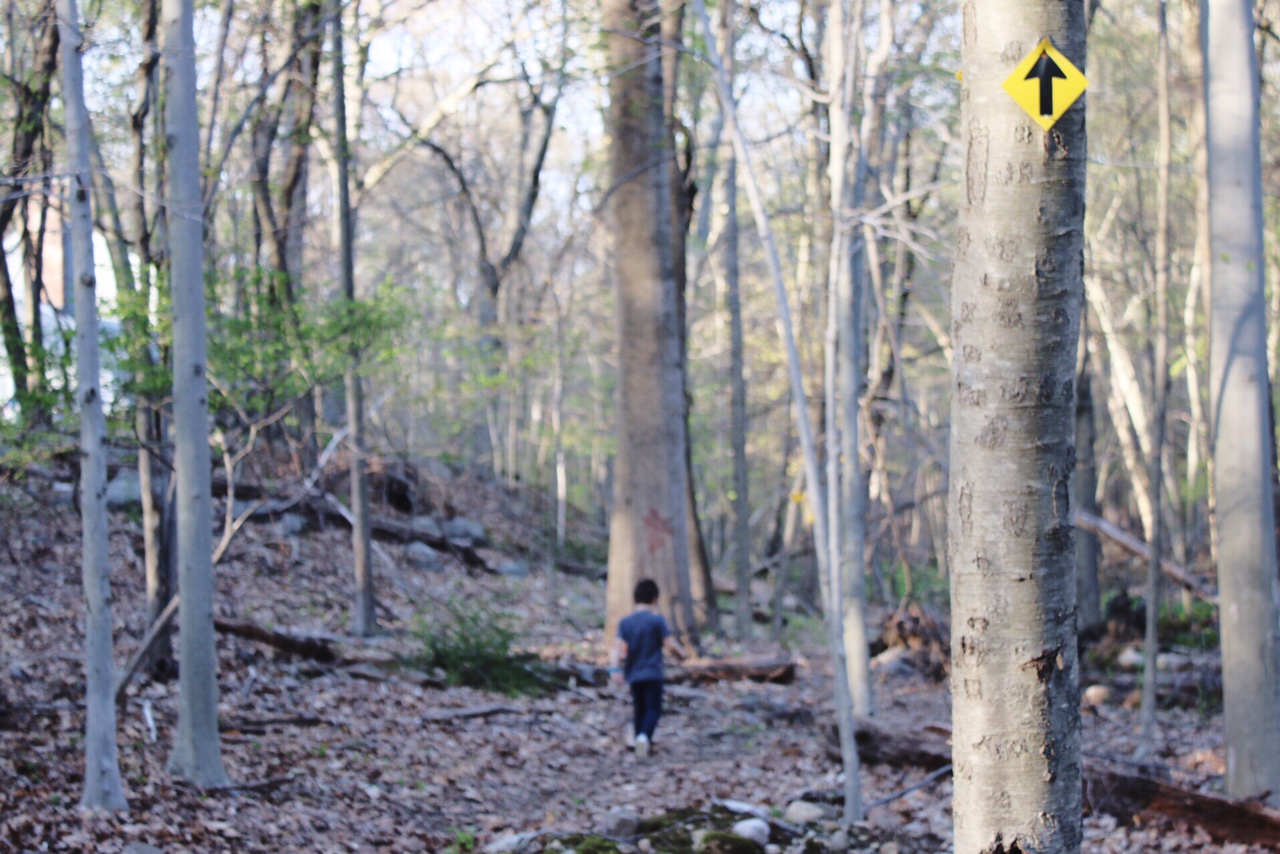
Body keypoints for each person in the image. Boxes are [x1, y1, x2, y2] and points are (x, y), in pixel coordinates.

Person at [609, 578, 687, 758]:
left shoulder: (625, 622)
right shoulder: (657, 620)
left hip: (634, 673)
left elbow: (617, 646)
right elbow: (670, 645)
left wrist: (614, 669)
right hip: (653, 673)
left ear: (635, 599)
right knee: (653, 708)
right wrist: (682, 654)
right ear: (655, 599)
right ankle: (644, 737)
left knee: (640, 708)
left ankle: (639, 739)